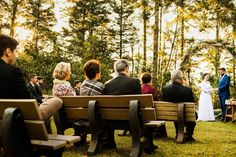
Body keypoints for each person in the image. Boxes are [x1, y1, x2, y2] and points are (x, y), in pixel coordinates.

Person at [0, 34, 62, 121]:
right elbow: (28, 100)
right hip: (15, 119)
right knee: (57, 100)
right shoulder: (14, 71)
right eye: (16, 51)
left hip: (4, 117)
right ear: (8, 51)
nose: (17, 55)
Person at [103, 59, 142, 147]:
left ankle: (110, 142)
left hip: (111, 120)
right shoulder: (134, 82)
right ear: (127, 69)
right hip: (132, 119)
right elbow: (141, 102)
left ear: (115, 70)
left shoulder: (107, 84)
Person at [162, 70, 196, 141]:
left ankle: (178, 133)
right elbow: (192, 103)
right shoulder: (187, 90)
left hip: (170, 114)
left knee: (176, 113)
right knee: (192, 113)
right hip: (186, 115)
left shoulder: (165, 89)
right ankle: (189, 134)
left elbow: (164, 101)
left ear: (172, 78)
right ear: (181, 77)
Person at [52, 62, 76, 134]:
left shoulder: (55, 86)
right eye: (69, 70)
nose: (70, 72)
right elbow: (74, 102)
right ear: (66, 73)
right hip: (70, 117)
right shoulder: (67, 86)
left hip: (58, 116)